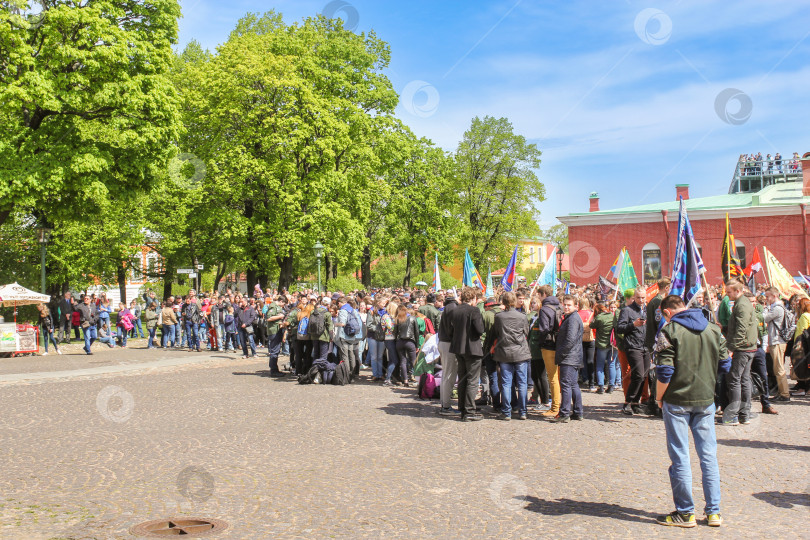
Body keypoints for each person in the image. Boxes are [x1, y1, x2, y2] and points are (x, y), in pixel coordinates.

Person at [654, 295, 728, 528]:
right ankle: (714, 512)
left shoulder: (669, 331)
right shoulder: (714, 329)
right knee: (708, 456)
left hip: (676, 400)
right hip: (705, 399)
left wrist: (658, 397)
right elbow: (725, 364)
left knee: (680, 456)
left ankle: (686, 513)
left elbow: (664, 370)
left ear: (667, 312)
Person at [487, 292, 531, 421]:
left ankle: (507, 412)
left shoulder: (499, 316)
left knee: (506, 383)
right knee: (522, 383)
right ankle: (523, 411)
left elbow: (497, 333)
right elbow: (526, 332)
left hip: (505, 352)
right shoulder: (522, 316)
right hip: (520, 351)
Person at [446, 287, 486, 421]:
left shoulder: (455, 310)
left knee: (462, 378)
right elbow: (480, 329)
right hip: (472, 348)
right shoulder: (474, 310)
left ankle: (462, 408)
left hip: (458, 348)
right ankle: (469, 411)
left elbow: (450, 330)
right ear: (473, 298)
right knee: (472, 380)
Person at [721, 280, 758, 426]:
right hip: (747, 347)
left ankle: (733, 416)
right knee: (744, 379)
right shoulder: (742, 303)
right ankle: (744, 415)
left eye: (729, 292)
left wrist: (731, 348)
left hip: (742, 348)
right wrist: (724, 327)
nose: (726, 294)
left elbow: (741, 329)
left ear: (737, 291)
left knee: (735, 380)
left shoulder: (742, 305)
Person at [551, 295, 584, 423]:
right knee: (573, 384)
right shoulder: (570, 317)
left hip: (569, 357)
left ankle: (565, 413)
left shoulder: (573, 319)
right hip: (572, 356)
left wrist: (561, 353)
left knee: (566, 384)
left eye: (569, 305)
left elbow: (570, 340)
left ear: (576, 306)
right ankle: (578, 411)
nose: (566, 307)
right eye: (564, 304)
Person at [617, 287, 650, 416]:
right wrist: (633, 325)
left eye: (643, 297)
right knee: (638, 374)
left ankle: (636, 403)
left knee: (645, 375)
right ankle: (628, 402)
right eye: (638, 298)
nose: (641, 300)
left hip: (645, 346)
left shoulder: (647, 310)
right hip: (632, 346)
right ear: (634, 298)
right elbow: (619, 328)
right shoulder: (627, 310)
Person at [535, 285, 563, 418]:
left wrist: (540, 342)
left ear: (543, 294)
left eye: (539, 295)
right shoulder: (560, 306)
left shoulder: (545, 309)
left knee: (552, 378)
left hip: (549, 345)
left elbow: (544, 329)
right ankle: (560, 405)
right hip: (560, 344)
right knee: (559, 377)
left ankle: (555, 407)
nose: (538, 298)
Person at [763, 287, 790, 402]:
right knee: (776, 368)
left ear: (774, 296)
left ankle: (785, 394)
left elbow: (764, 318)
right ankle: (781, 392)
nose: (766, 299)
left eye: (768, 296)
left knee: (779, 369)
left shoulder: (777, 308)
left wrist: (766, 309)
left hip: (778, 341)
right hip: (776, 341)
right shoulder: (776, 307)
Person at [437, 292, 460, 414]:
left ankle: (444, 403)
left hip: (444, 342)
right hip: (448, 343)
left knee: (446, 374)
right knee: (449, 375)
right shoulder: (453, 308)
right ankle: (445, 406)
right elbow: (452, 329)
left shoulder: (448, 307)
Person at [590, 302, 615, 393]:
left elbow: (591, 325)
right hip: (612, 344)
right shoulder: (612, 316)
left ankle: (600, 386)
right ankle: (611, 386)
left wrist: (593, 316)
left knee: (600, 365)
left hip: (602, 345)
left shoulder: (599, 317)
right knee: (611, 365)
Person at [393, 304, 420, 388]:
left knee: (403, 361)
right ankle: (417, 379)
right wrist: (417, 344)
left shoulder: (398, 319)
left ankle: (405, 380)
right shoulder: (412, 318)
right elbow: (416, 332)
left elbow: (395, 332)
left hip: (400, 341)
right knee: (413, 361)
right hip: (410, 341)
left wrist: (396, 341)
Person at [265, 296, 286, 376]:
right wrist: (280, 317)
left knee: (275, 350)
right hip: (274, 331)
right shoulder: (273, 307)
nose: (283, 306)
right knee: (274, 351)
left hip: (276, 330)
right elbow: (269, 318)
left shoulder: (276, 307)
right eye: (283, 303)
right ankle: (274, 370)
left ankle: (274, 369)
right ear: (280, 301)